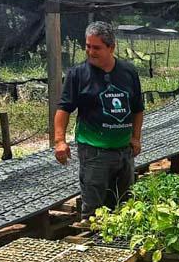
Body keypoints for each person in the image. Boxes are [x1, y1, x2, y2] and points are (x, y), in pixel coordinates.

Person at [54, 21, 144, 222]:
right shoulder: (77, 74)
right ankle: (92, 246)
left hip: (124, 151)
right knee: (93, 211)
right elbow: (64, 109)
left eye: (96, 47)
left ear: (111, 47)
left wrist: (136, 138)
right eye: (87, 46)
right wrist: (60, 140)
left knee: (124, 204)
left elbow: (138, 109)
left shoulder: (128, 72)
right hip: (94, 152)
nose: (90, 52)